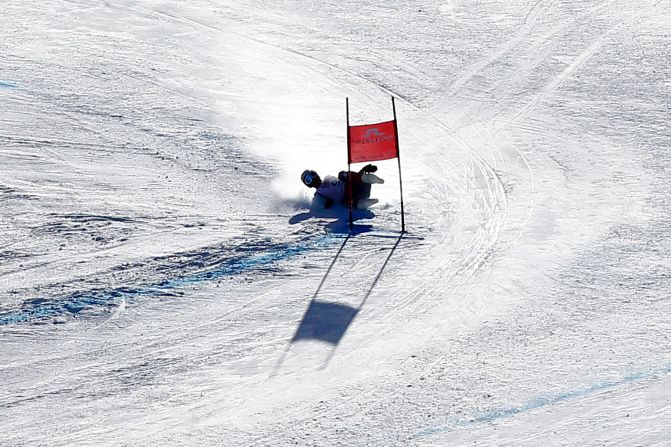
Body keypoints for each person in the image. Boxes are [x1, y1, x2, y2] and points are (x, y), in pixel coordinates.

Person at [301, 164, 384, 210]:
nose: (312, 178)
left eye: (312, 175)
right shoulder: (318, 194)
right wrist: (327, 203)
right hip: (352, 198)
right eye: (308, 180)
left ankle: (366, 178)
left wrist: (362, 171)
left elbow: (347, 178)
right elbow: (318, 206)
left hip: (357, 186)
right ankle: (362, 203)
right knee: (343, 203)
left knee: (341, 175)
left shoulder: (327, 177)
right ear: (308, 185)